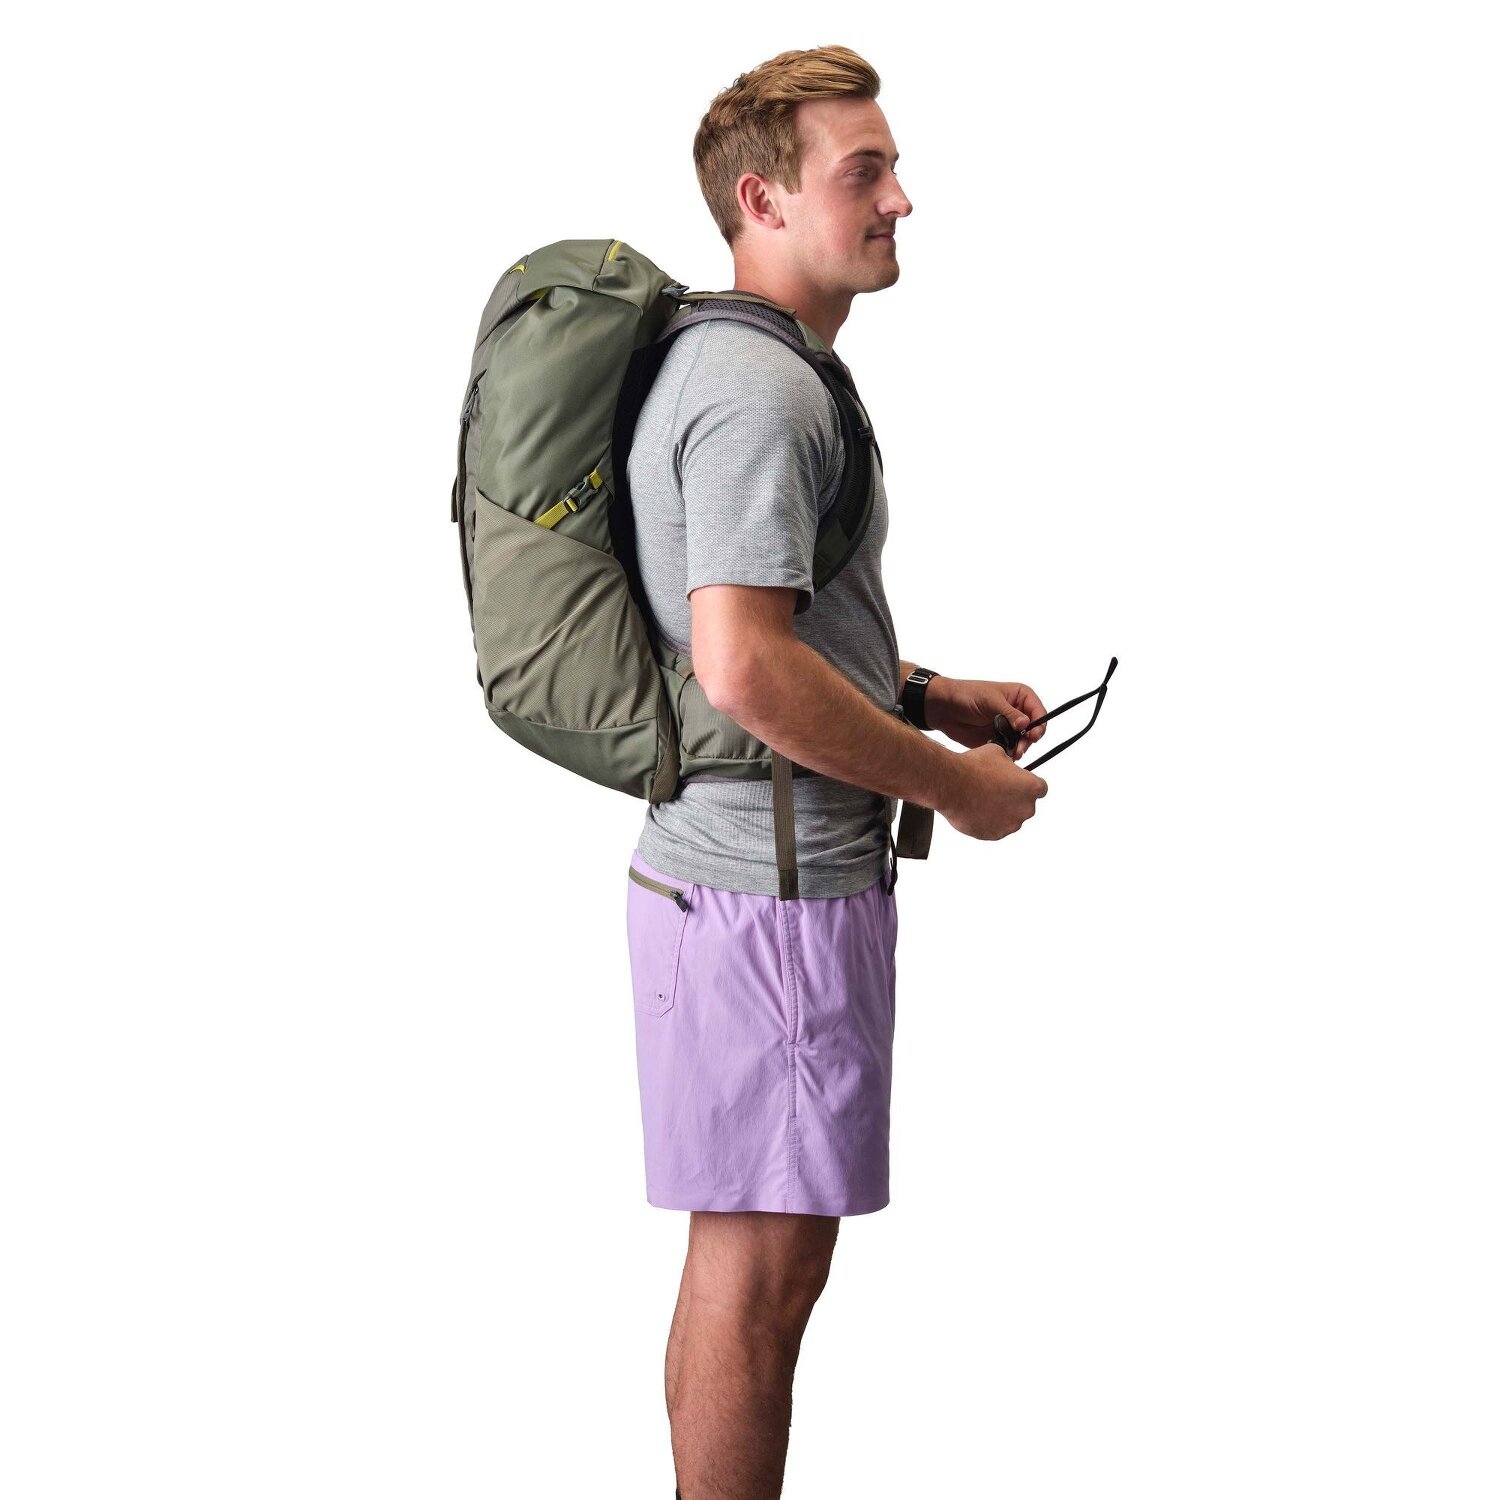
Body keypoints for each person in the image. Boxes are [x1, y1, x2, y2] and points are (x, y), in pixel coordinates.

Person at [624, 45, 1050, 1499]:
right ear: (763, 199)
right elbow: (742, 667)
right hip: (776, 900)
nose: (900, 199)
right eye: (864, 172)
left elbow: (765, 633)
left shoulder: (735, 361)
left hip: (732, 880)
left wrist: (924, 692)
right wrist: (951, 783)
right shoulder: (761, 391)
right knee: (760, 1284)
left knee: (742, 1269)